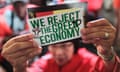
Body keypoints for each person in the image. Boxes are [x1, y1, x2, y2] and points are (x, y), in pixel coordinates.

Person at [1, 18, 117, 72]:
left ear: (75, 46)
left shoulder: (89, 61)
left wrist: (107, 54)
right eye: (54, 46)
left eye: (65, 45)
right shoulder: (46, 62)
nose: (59, 53)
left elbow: (109, 68)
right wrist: (20, 67)